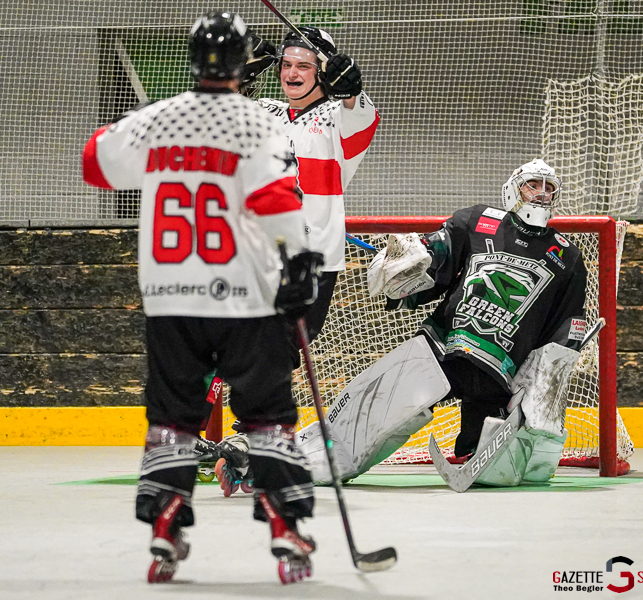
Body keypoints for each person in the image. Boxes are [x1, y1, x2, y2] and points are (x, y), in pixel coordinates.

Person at [82, 11, 321, 585]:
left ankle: (165, 524)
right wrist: (299, 263)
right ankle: (284, 523)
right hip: (242, 294)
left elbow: (94, 165)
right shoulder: (253, 122)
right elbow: (274, 200)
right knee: (267, 415)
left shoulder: (157, 119)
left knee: (172, 417)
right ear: (244, 64)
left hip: (169, 295)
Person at [227, 159, 590, 489]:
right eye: (533, 185)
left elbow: (565, 330)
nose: (541, 193)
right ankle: (272, 460)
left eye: (549, 188)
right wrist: (410, 264)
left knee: (497, 471)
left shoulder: (568, 258)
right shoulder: (479, 220)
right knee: (361, 418)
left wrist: (540, 385)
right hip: (442, 349)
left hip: (500, 372)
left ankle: (471, 445)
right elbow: (436, 259)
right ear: (514, 189)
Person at [211, 25, 380, 496]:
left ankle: (256, 435)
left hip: (311, 259)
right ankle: (256, 437)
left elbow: (357, 113)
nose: (291, 73)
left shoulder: (335, 119)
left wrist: (350, 85)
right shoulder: (262, 111)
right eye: (286, 64)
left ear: (323, 73)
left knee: (278, 350)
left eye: (304, 65)